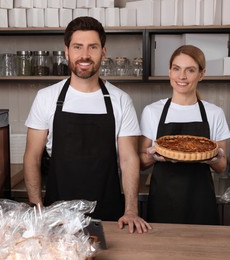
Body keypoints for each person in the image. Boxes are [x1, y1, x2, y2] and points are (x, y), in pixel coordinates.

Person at [23, 16, 151, 233]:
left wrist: (131, 210)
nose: (84, 55)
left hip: (110, 217)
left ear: (104, 51)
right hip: (57, 218)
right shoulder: (46, 97)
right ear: (66, 51)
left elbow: (129, 159)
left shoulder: (120, 100)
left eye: (93, 47)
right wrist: (37, 208)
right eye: (77, 47)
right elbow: (32, 157)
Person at [139, 45, 230, 225]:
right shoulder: (152, 111)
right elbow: (141, 161)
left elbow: (222, 166)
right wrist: (155, 157)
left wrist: (212, 159)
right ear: (169, 72)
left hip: (201, 202)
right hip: (163, 200)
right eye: (176, 69)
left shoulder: (214, 113)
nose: (182, 76)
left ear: (201, 74)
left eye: (190, 70)